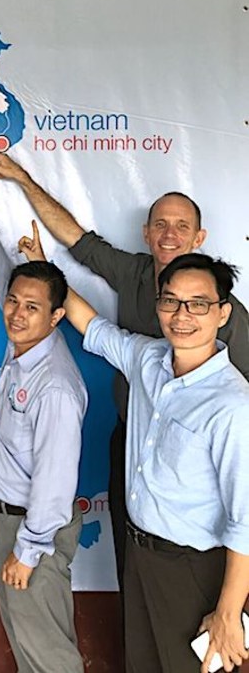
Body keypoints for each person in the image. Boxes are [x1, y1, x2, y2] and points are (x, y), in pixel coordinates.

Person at [0, 144, 249, 589]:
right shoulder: (138, 304)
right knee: (135, 557)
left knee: (191, 571)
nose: (182, 317)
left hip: (194, 459)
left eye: (182, 226)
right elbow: (80, 256)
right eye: (160, 224)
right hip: (134, 438)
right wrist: (24, 185)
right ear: (146, 233)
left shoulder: (230, 319)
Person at [25, 221, 249, 672]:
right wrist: (45, 269)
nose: (182, 315)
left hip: (196, 570)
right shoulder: (148, 359)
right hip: (139, 555)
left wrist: (228, 611)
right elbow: (92, 326)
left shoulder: (232, 405)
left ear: (222, 314)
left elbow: (246, 519)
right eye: (171, 301)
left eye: (198, 304)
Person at [0, 173, 87, 673]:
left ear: (56, 317)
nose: (16, 313)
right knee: (27, 644)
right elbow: (2, 274)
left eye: (32, 307)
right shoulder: (25, 345)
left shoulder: (53, 385)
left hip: (34, 529)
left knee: (49, 656)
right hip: (8, 519)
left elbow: (55, 483)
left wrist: (29, 550)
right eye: (13, 301)